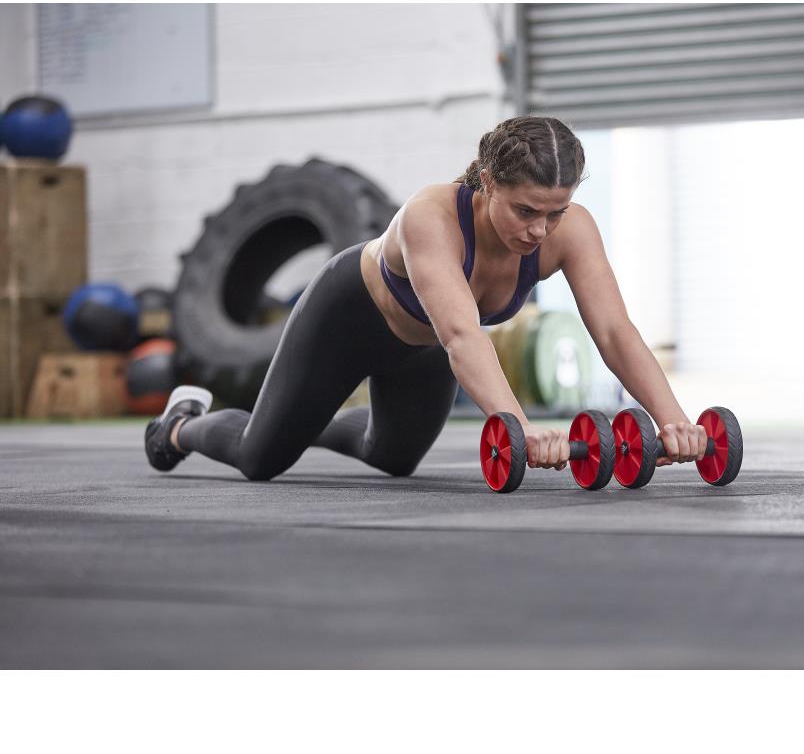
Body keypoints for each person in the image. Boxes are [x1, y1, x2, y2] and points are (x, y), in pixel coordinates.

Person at [144, 116, 708, 481]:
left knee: (393, 459)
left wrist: (675, 423)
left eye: (555, 212)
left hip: (423, 347)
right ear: (488, 181)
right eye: (525, 211)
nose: (540, 230)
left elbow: (613, 331)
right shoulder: (431, 217)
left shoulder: (572, 230)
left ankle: (300, 420)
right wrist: (521, 425)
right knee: (259, 458)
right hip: (347, 322)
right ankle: (180, 424)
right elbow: (462, 335)